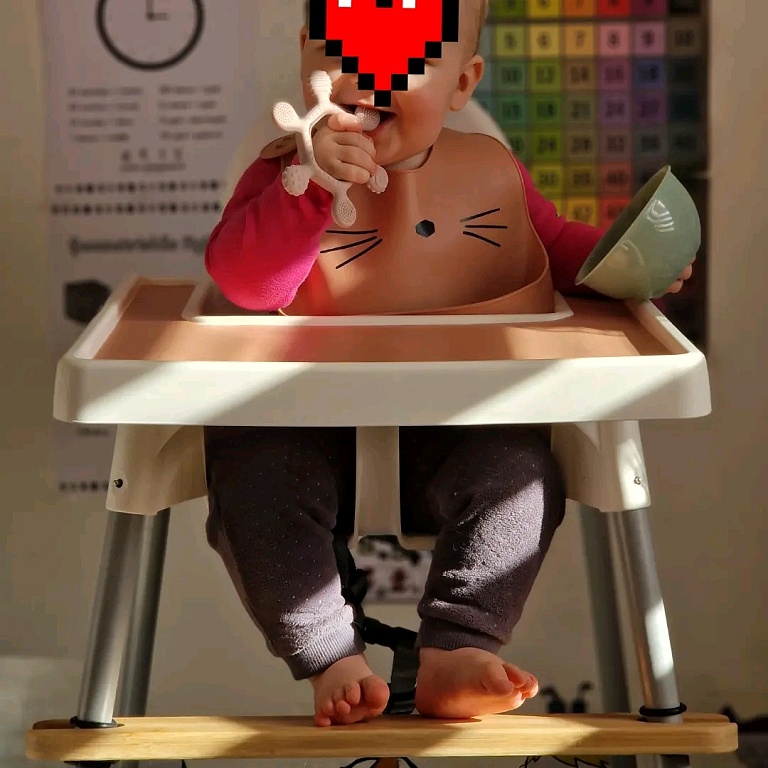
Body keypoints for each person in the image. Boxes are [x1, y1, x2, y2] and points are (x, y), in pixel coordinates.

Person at [204, 0, 693, 728]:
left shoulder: (489, 171)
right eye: (345, 48)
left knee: (524, 476)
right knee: (251, 478)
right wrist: (309, 192)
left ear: (462, 83)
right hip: (306, 431)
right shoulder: (285, 174)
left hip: (460, 430)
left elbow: (548, 247)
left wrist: (623, 264)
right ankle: (329, 654)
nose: (370, 75)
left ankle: (459, 646)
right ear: (307, 53)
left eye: (404, 57)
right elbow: (247, 283)